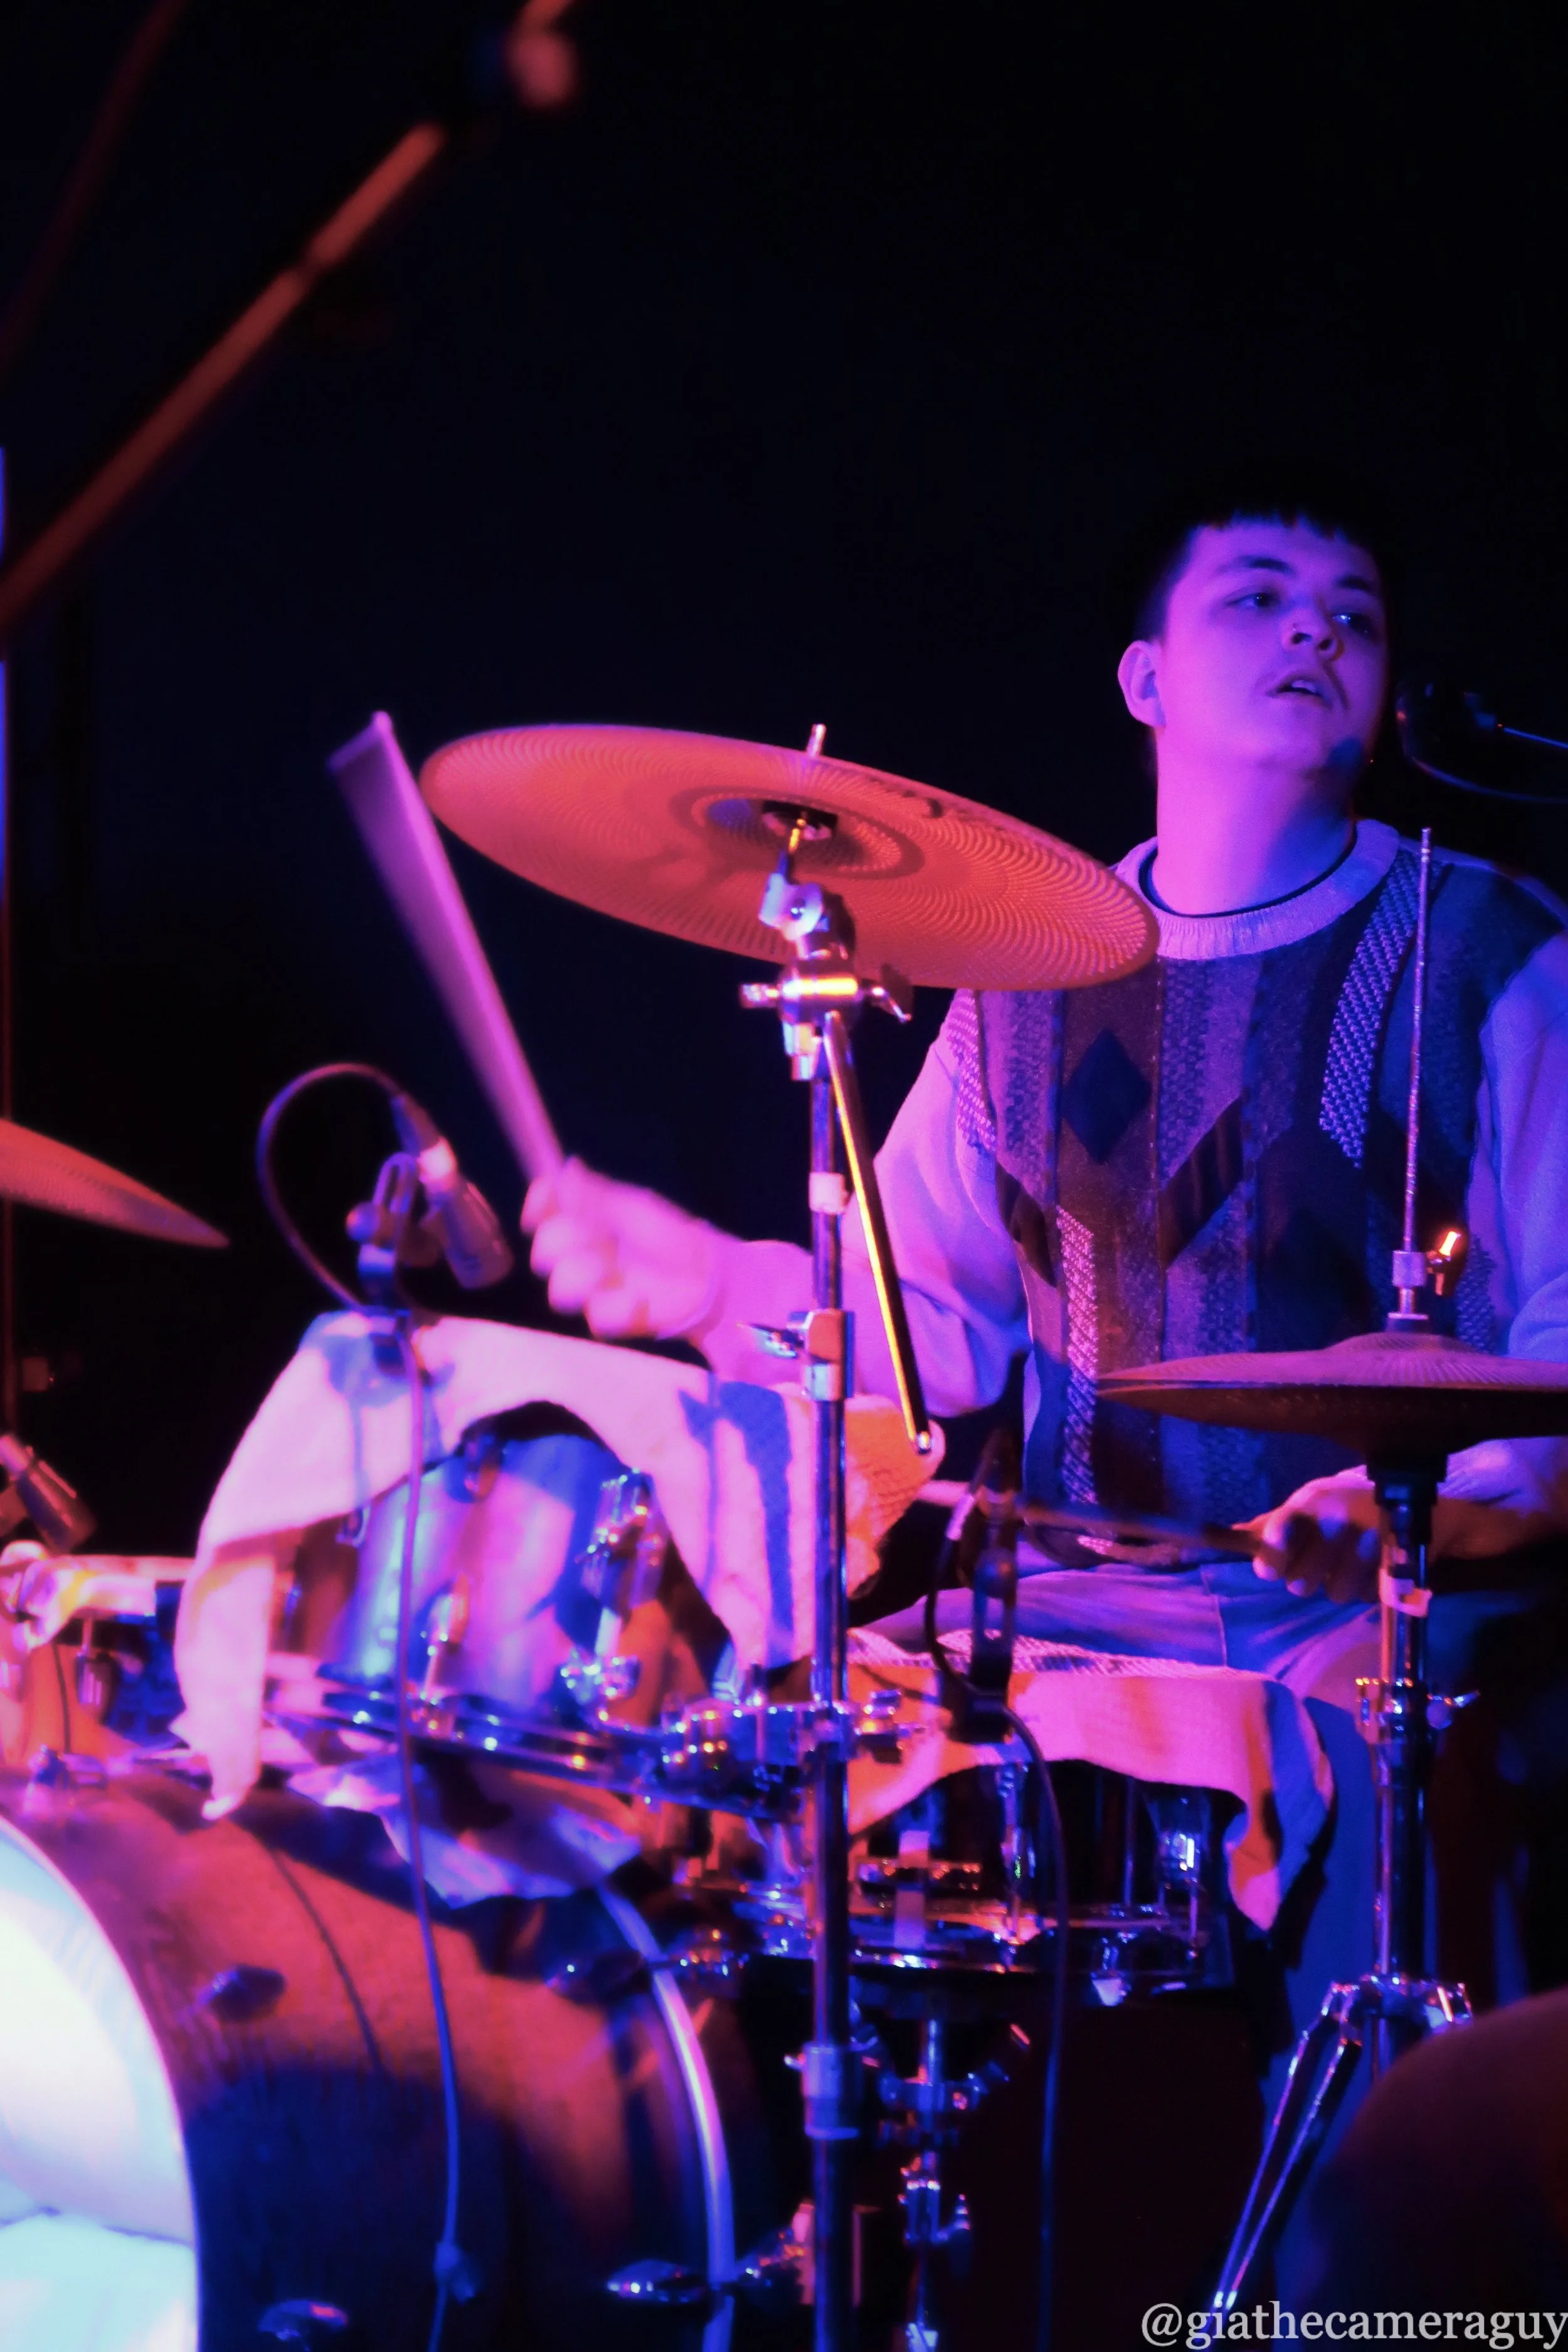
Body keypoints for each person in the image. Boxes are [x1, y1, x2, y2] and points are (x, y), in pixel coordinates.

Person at [521, 480, 1568, 2244]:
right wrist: (718, 1281)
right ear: (1143, 680)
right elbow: (920, 1323)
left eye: (1352, 610)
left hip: (1367, 1619)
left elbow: (1551, 1368)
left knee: (1371, 1801)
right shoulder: (1017, 971)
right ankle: (774, 2232)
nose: (1315, 628)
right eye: (1256, 595)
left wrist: (1418, 1514)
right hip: (1089, 1609)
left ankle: (1360, 2269)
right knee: (769, 1734)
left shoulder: (1491, 954)